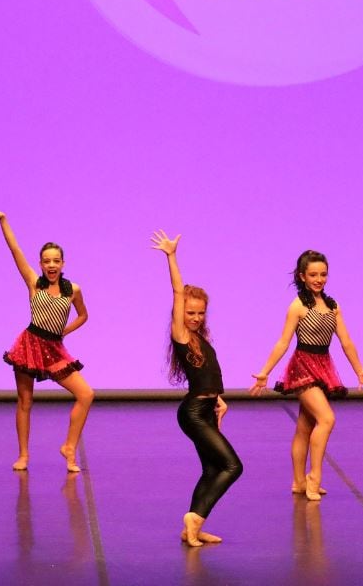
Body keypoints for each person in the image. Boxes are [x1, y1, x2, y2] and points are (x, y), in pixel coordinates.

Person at [250, 250, 363, 500]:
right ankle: (314, 476)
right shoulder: (297, 306)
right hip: (302, 366)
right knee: (327, 419)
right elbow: (283, 342)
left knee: (305, 426)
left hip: (323, 365)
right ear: (302, 276)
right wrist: (265, 372)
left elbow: (346, 341)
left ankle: (298, 482)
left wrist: (359, 370)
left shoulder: (333, 306)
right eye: (313, 275)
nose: (319, 279)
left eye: (323, 274)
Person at [0, 210, 93, 471]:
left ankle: (69, 448)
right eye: (46, 261)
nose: (51, 265)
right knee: (25, 401)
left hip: (53, 349)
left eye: (56, 261)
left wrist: (64, 332)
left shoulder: (73, 289)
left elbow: (84, 315)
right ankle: (23, 455)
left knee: (86, 394)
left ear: (63, 263)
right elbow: (15, 249)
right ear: (41, 264)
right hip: (30, 345)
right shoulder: (34, 283)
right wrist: (4, 221)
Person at [150, 230, 242, 546]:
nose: (195, 318)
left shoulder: (201, 338)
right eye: (190, 312)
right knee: (232, 466)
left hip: (206, 408)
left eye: (200, 313)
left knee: (211, 469)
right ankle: (195, 518)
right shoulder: (182, 336)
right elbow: (177, 292)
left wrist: (219, 400)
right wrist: (171, 256)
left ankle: (192, 525)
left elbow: (209, 374)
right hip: (192, 414)